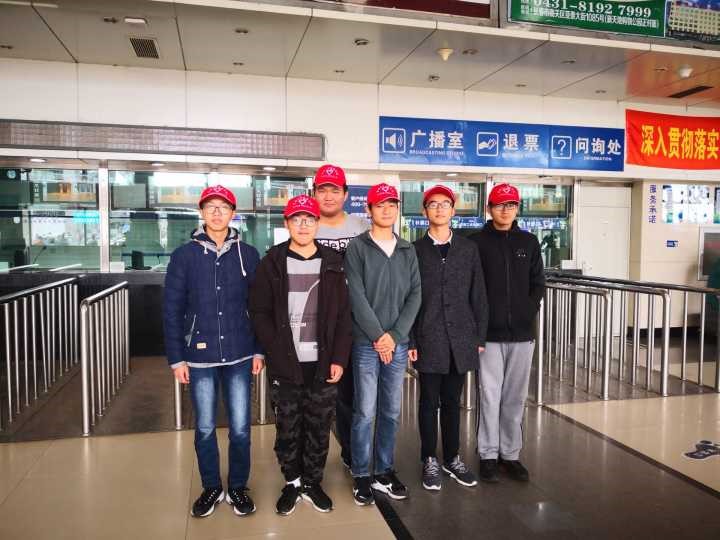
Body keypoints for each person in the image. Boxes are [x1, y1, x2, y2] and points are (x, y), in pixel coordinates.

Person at [163, 185, 264, 518]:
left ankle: (237, 487)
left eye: (224, 207)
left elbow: (259, 308)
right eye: (211, 207)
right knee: (205, 427)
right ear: (201, 212)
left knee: (241, 428)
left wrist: (259, 350)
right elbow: (172, 309)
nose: (217, 212)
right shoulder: (184, 256)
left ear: (233, 213)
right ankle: (211, 487)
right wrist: (177, 357)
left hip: (240, 354)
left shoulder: (248, 254)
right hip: (199, 357)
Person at [249, 194, 352, 516]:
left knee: (319, 427)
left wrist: (339, 358)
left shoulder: (333, 262)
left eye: (309, 219)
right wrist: (275, 348)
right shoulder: (272, 262)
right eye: (297, 219)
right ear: (287, 223)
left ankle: (312, 482)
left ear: (317, 223)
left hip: (322, 362)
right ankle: (292, 482)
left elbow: (344, 316)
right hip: (286, 363)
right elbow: (259, 311)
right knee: (288, 427)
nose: (303, 225)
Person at [344, 183, 422, 505]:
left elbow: (415, 294)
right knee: (364, 411)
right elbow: (356, 296)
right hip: (367, 343)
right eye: (380, 204)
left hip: (397, 343)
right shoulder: (357, 248)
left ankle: (384, 470)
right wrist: (379, 336)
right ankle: (362, 473)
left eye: (392, 204)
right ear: (369, 210)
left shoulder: (407, 249)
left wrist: (396, 335)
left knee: (391, 411)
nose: (387, 209)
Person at [409, 185, 488, 491]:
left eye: (445, 204)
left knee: (453, 401)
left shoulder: (468, 249)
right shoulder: (414, 250)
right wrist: (411, 339)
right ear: (424, 211)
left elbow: (479, 295)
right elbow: (409, 299)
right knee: (429, 402)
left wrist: (479, 336)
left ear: (453, 211)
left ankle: (452, 458)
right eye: (433, 204)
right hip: (428, 336)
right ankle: (429, 458)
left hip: (461, 339)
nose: (440, 209)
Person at [470, 183, 545, 483]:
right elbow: (471, 287)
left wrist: (528, 310)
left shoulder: (529, 242)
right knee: (489, 396)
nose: (505, 210)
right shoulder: (476, 243)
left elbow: (538, 283)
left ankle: (510, 454)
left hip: (522, 335)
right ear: (489, 208)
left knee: (515, 396)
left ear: (517, 208)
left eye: (511, 204)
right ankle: (488, 454)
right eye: (500, 204)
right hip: (488, 336)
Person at [312, 164, 368, 470]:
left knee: (352, 396)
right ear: (314, 193)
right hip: (316, 327)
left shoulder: (362, 228)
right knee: (316, 398)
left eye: (335, 190)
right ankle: (311, 464)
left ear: (346, 194)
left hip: (356, 324)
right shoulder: (307, 225)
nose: (329, 196)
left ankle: (350, 452)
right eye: (322, 190)